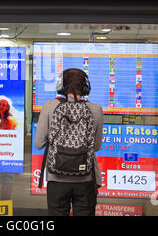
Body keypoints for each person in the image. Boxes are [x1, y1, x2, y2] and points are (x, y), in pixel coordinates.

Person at [34, 68, 103, 216]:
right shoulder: (96, 109)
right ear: (86, 88)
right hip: (85, 178)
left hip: (56, 178)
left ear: (61, 86)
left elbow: (39, 143)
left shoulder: (49, 106)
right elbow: (96, 146)